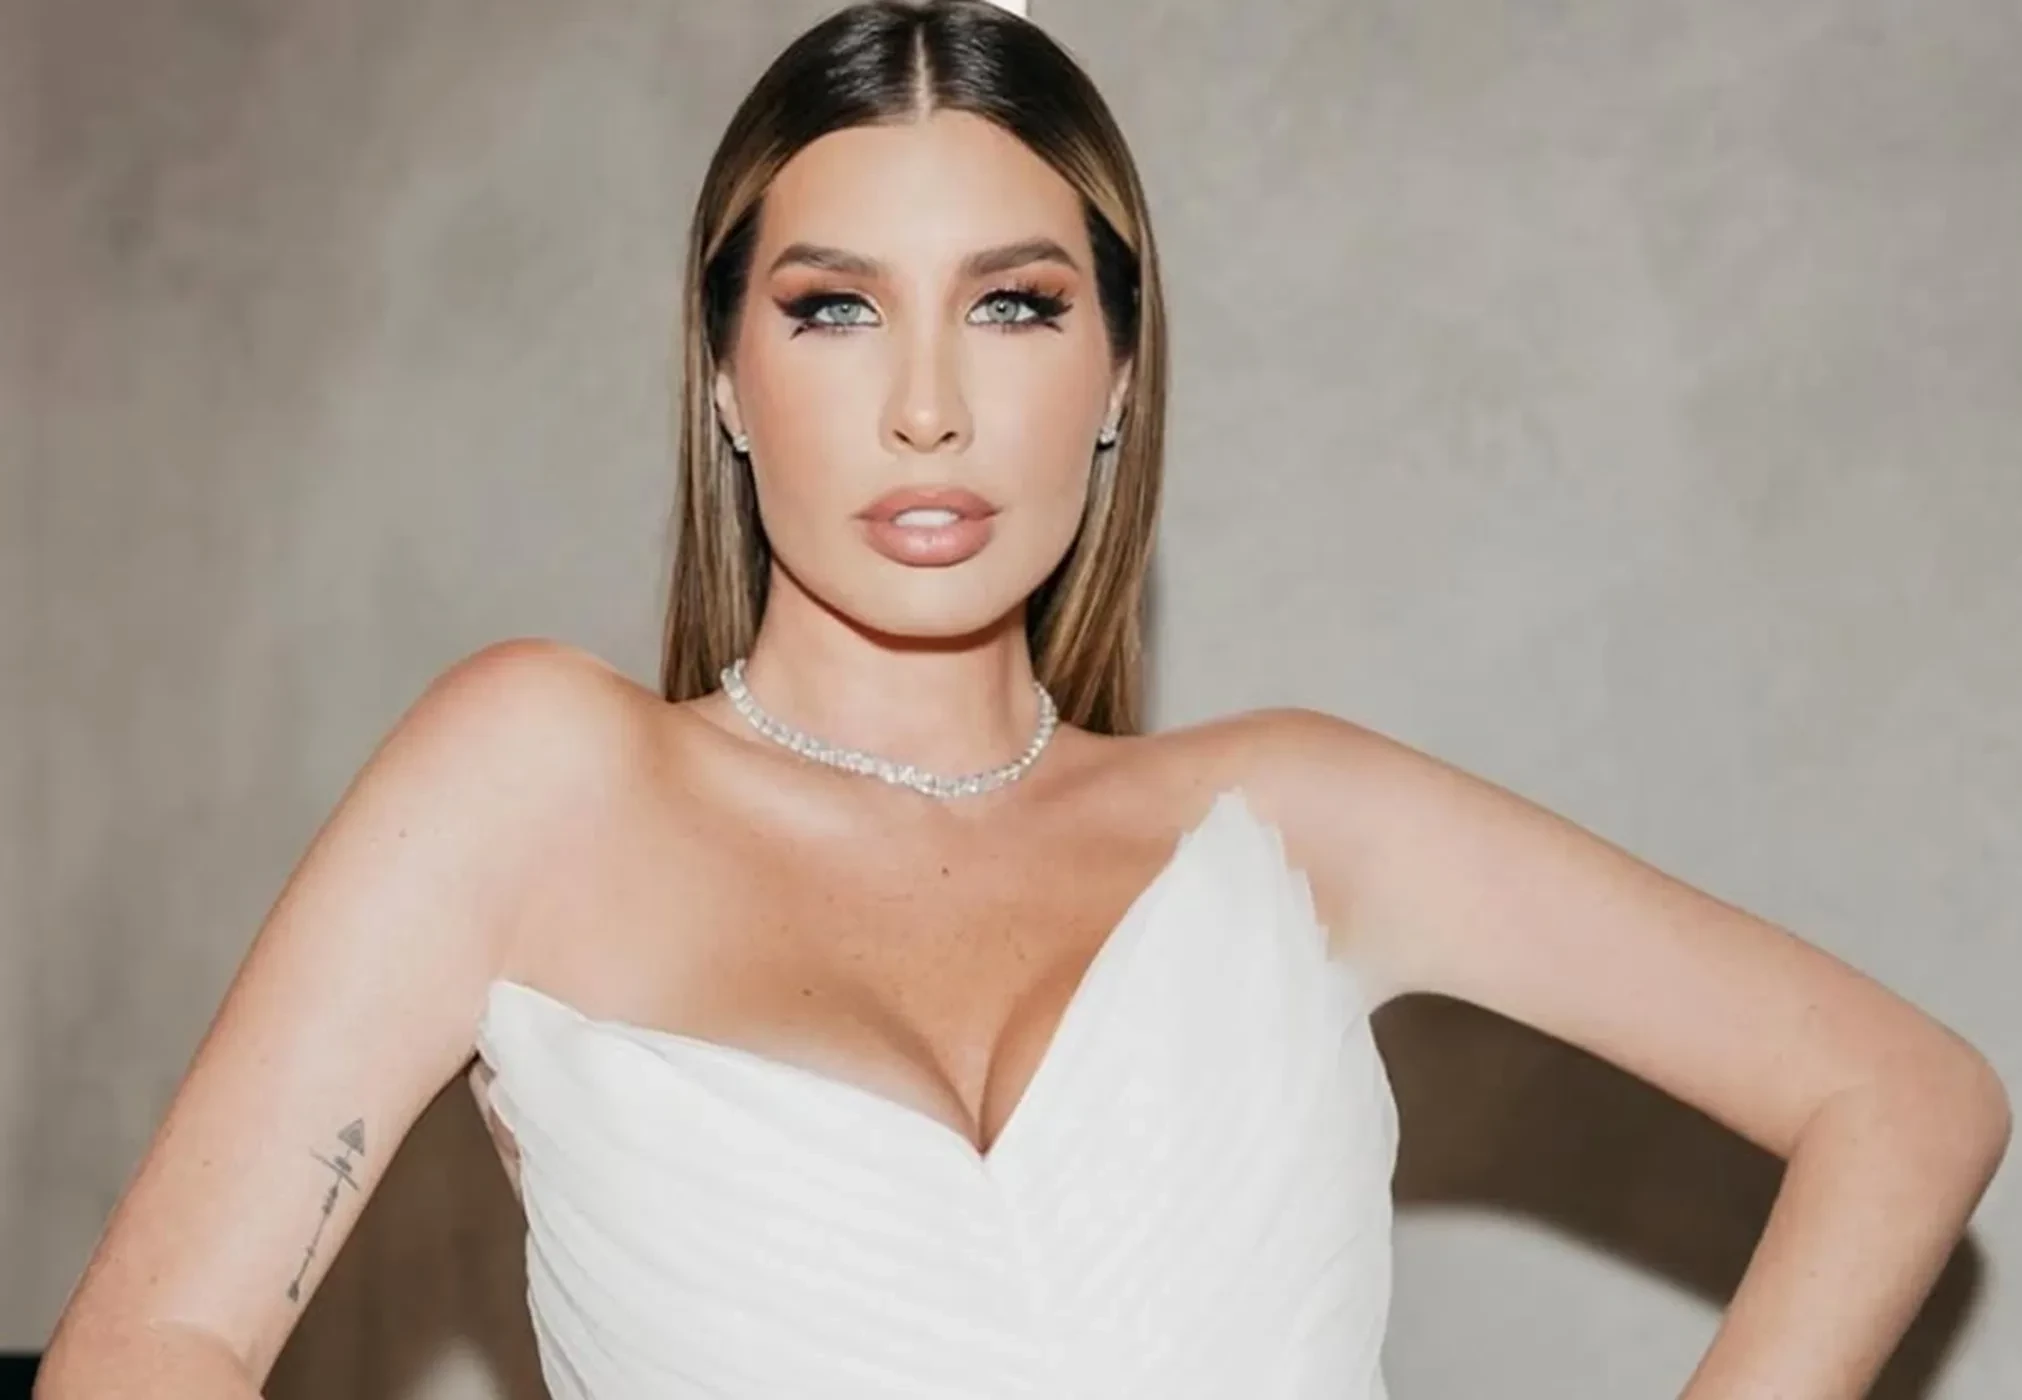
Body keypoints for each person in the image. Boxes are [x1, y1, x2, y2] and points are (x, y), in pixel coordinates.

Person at [35, 1, 2012, 1396]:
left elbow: (1905, 1100)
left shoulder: (1296, 821)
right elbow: (151, 1348)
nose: (927, 404)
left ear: (1118, 371)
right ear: (723, 377)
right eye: (833, 307)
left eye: (1013, 303)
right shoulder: (540, 779)